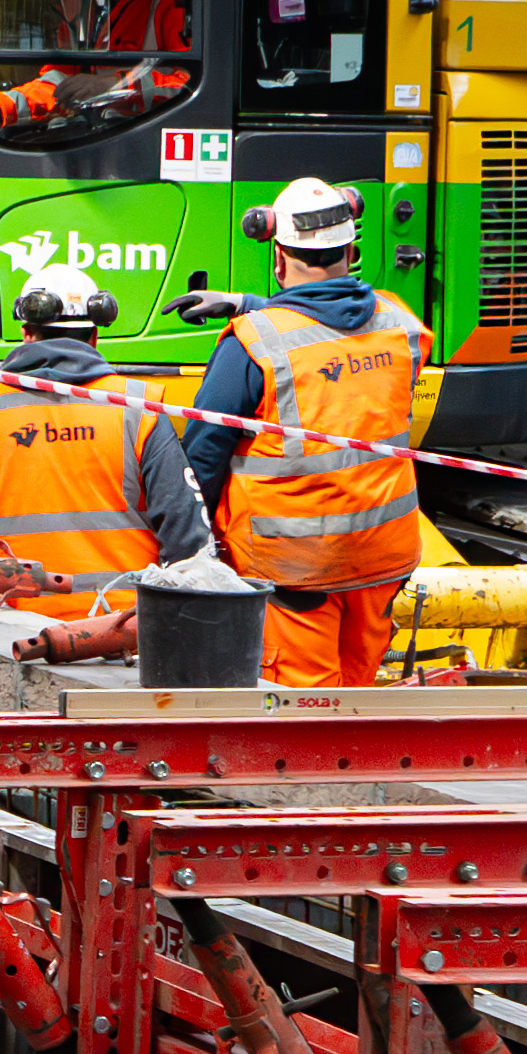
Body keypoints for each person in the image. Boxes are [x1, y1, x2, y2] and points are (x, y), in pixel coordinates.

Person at [195, 172, 436, 685]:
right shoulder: (403, 326)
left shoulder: (252, 344)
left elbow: (202, 455)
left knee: (305, 718)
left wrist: (193, 549)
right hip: (382, 553)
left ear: (278, 257)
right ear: (351, 249)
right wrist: (251, 303)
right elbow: (337, 327)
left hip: (296, 564)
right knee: (358, 696)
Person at [0, 273, 170, 586]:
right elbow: (183, 523)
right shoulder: (138, 406)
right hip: (119, 619)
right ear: (94, 337)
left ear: (26, 333)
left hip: (16, 610)